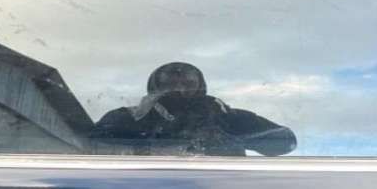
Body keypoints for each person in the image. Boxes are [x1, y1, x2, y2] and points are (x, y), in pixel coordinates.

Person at [91, 62, 297, 157]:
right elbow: (89, 146)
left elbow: (285, 142)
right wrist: (152, 143)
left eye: (188, 82)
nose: (180, 88)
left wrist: (230, 140)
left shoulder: (227, 117)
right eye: (170, 83)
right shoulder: (127, 118)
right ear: (154, 87)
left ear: (200, 86)